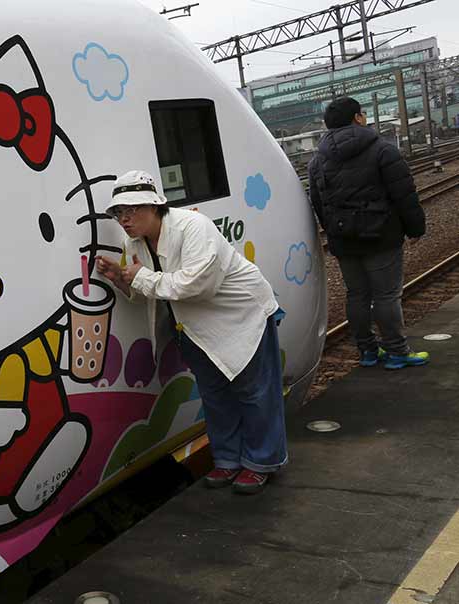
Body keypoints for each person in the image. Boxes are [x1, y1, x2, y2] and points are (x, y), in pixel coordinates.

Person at [96, 170, 286, 494]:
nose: (124, 219)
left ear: (155, 206)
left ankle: (261, 463)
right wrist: (120, 277)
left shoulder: (193, 227)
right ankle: (227, 460)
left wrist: (139, 276)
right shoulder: (135, 242)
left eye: (132, 210)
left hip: (241, 316)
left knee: (254, 391)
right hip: (195, 328)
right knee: (214, 396)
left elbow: (198, 284)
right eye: (118, 213)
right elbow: (149, 288)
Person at [308, 97, 428, 369]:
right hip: (381, 236)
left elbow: (317, 202)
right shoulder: (383, 150)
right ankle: (397, 352)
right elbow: (404, 194)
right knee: (386, 296)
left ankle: (367, 352)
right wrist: (415, 227)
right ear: (358, 118)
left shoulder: (317, 161)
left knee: (357, 295)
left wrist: (333, 232)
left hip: (343, 239)